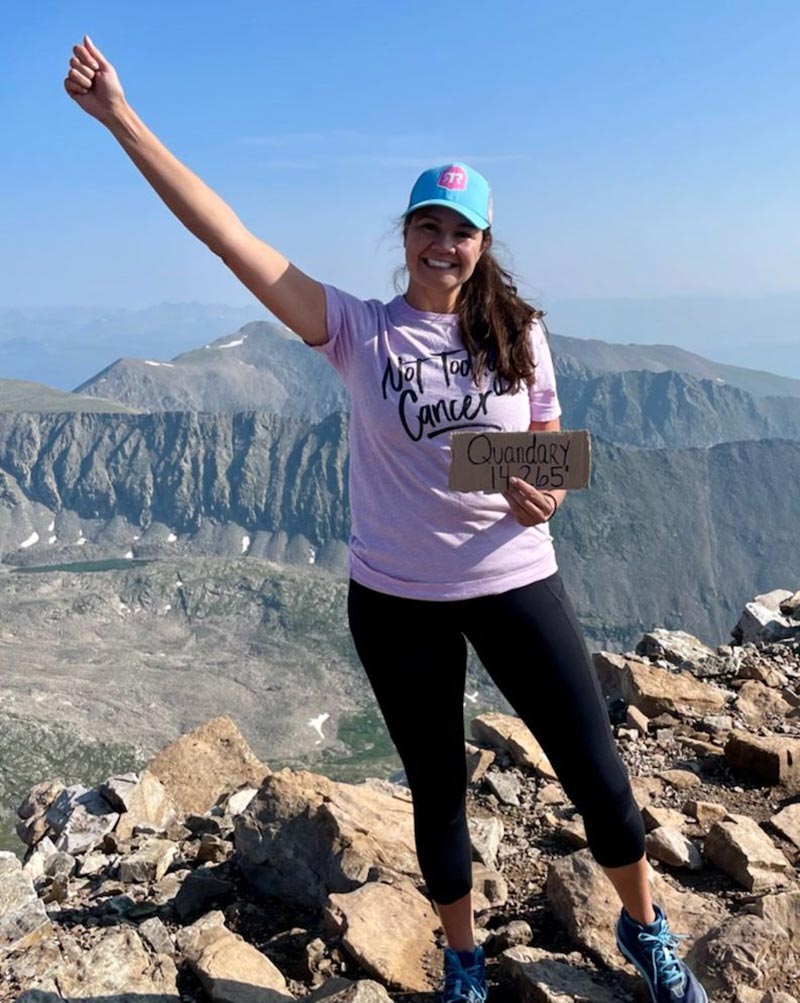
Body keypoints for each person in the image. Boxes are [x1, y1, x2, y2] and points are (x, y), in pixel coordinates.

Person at [63, 36, 708, 1003]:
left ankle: (646, 929)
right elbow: (227, 235)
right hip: (397, 598)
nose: (443, 245)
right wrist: (122, 119)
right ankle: (462, 962)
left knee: (597, 770)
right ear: (403, 235)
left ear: (483, 244)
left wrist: (549, 486)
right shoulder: (357, 331)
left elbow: (548, 440)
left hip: (513, 577)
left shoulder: (520, 332)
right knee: (438, 790)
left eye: (462, 231)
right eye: (428, 227)